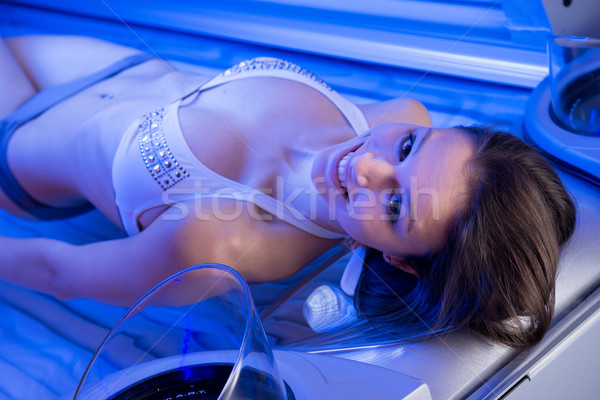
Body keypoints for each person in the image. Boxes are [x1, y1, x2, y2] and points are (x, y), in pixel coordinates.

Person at [0, 35, 576, 349]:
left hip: (21, 149)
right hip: (114, 63)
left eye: (395, 205)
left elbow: (60, 273)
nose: (367, 165)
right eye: (408, 148)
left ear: (398, 261)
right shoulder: (403, 110)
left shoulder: (219, 242)